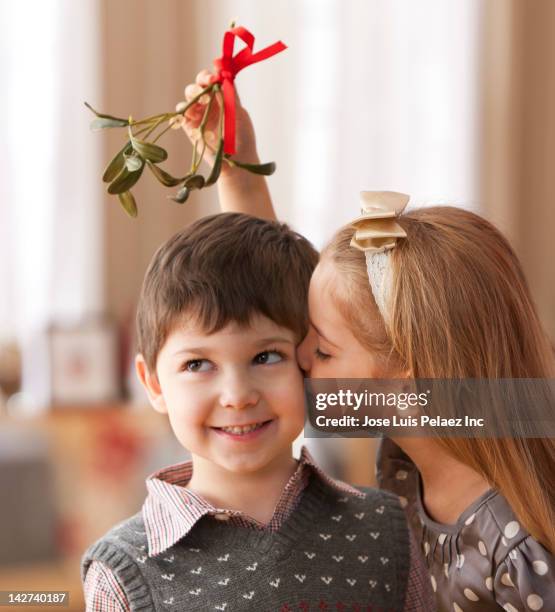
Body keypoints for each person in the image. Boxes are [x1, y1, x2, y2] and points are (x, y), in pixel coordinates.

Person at [182, 71, 555, 611]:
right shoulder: (412, 441)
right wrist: (237, 164)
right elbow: (266, 295)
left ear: (407, 366)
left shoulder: (517, 544)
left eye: (324, 349)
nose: (298, 355)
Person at [81, 213, 434, 610]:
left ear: (309, 359)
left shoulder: (386, 528)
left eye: (266, 356)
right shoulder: (122, 574)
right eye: (198, 364)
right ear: (154, 383)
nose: (237, 396)